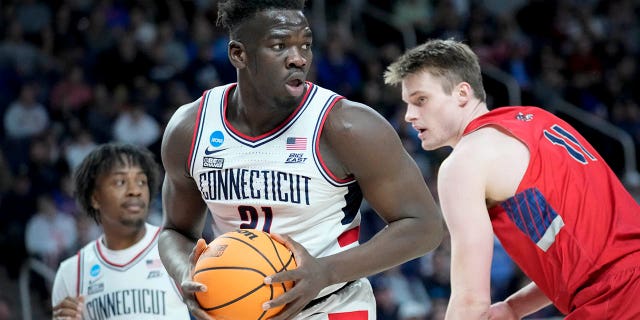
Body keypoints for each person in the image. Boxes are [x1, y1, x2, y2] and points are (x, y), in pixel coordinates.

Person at [158, 1, 444, 320]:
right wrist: (187, 272)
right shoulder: (190, 128)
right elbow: (174, 231)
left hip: (331, 305)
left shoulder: (347, 126)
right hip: (236, 309)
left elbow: (425, 226)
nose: (298, 58)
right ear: (239, 54)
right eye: (279, 45)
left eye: (305, 44)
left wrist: (325, 272)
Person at [383, 38, 640, 319]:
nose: (409, 115)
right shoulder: (537, 118)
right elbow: (586, 252)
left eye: (421, 100)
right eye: (407, 104)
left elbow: (470, 301)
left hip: (618, 299)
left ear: (462, 93)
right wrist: (515, 307)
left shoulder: (463, 163)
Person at [50, 143, 190, 320]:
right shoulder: (71, 273)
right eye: (120, 182)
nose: (135, 191)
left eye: (141, 181)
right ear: (95, 197)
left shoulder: (178, 249)